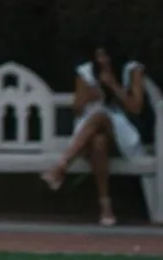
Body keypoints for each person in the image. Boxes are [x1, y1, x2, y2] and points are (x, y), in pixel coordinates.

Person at [43, 51, 153, 226]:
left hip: (121, 132)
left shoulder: (131, 69)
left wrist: (114, 85)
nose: (102, 60)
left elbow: (136, 107)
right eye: (99, 57)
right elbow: (77, 109)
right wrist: (87, 97)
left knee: (101, 115)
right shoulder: (86, 71)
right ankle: (106, 208)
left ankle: (61, 165)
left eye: (107, 56)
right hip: (88, 133)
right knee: (98, 142)